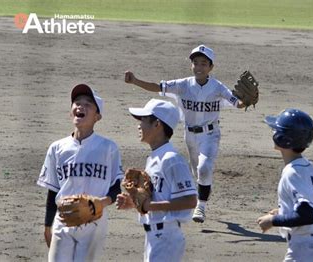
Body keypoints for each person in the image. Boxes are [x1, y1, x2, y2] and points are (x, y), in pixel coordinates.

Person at [124, 44, 246, 223]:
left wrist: (246, 101)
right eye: (196, 63)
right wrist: (135, 81)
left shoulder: (218, 87)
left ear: (211, 67)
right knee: (198, 173)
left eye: (204, 64)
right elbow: (157, 87)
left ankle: (201, 206)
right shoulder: (183, 85)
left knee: (204, 167)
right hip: (190, 135)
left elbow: (238, 103)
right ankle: (203, 190)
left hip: (210, 135)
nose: (199, 67)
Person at [37, 84, 124, 261]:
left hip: (94, 220)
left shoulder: (109, 148)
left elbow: (116, 187)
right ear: (71, 112)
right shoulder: (57, 148)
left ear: (97, 117)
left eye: (88, 104)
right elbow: (53, 190)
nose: (80, 106)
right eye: (77, 102)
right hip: (63, 218)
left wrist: (101, 202)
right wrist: (48, 225)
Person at [116, 98, 198, 261]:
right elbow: (160, 197)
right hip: (154, 237)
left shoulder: (172, 159)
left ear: (157, 124)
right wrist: (134, 203)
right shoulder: (154, 158)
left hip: (166, 237)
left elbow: (190, 201)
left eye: (144, 120)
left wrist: (148, 205)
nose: (139, 125)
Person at [257, 109, 313, 262]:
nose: (273, 132)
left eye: (276, 130)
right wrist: (283, 211)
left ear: (283, 139)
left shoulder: (292, 172)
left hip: (305, 252)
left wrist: (273, 221)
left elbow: (307, 215)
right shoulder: (310, 167)